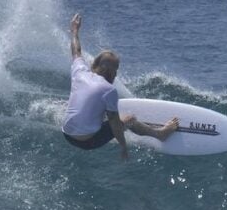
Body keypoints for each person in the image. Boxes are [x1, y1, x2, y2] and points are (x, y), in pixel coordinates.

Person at [61, 13, 178, 160]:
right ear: (111, 72)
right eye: (116, 69)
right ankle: (160, 134)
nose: (116, 73)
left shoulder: (80, 72)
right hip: (87, 142)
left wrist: (74, 31)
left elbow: (76, 50)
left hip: (66, 134)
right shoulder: (108, 90)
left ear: (95, 64)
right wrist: (123, 147)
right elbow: (115, 124)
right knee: (128, 119)